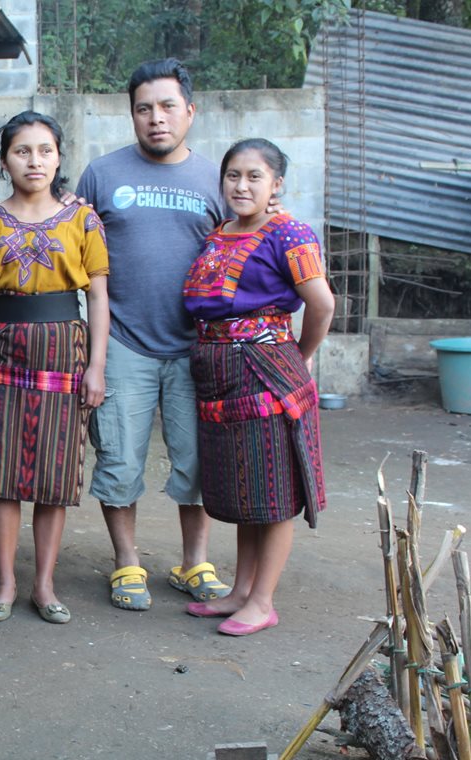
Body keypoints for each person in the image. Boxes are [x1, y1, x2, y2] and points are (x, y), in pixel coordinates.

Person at [75, 58, 230, 613]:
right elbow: (78, 252)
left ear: (190, 111)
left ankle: (195, 562)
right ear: (132, 115)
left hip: (198, 347)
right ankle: (127, 562)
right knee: (117, 459)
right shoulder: (101, 174)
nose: (156, 119)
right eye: (144, 109)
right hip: (121, 342)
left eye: (167, 107)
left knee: (197, 461)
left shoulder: (217, 179)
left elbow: (248, 242)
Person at [0, 112, 109, 624]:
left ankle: (44, 584)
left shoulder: (83, 220)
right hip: (2, 345)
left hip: (64, 348)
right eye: (22, 151)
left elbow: (100, 299)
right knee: (4, 474)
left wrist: (96, 366)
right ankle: (5, 581)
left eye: (45, 150)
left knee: (54, 473)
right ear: (3, 161)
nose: (35, 160)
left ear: (59, 158)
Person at [182, 138, 333, 635]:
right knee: (248, 489)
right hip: (220, 371)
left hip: (264, 369)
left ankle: (263, 600)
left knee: (273, 490)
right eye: (233, 176)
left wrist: (298, 356)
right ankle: (241, 592)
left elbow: (322, 304)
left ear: (276, 184)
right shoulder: (222, 231)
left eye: (254, 176)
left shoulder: (289, 233)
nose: (241, 185)